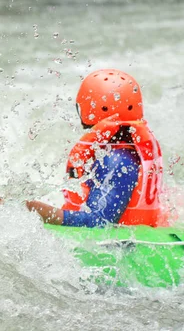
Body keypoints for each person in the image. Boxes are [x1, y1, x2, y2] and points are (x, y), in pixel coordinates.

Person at [25, 69, 167, 227]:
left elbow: (100, 223)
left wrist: (33, 209)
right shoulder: (121, 151)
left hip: (122, 246)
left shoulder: (117, 160)